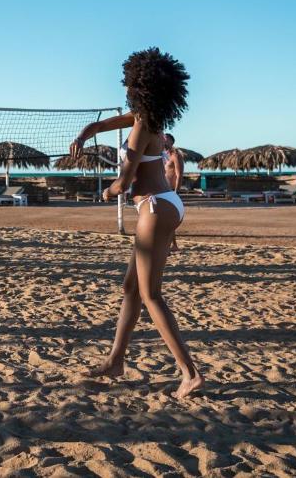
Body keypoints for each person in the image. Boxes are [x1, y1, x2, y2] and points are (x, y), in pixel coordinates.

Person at [71, 48, 203, 400]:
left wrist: (107, 191)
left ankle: (190, 373)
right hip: (161, 205)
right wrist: (83, 137)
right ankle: (115, 361)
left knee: (151, 294)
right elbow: (99, 126)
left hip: (155, 207)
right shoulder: (145, 117)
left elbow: (124, 181)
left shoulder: (143, 123)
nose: (127, 88)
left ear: (138, 85)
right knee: (131, 288)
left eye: (129, 83)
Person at [163, 134, 185, 252]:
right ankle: (172, 245)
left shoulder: (175, 155)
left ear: (171, 142)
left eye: (165, 139)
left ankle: (173, 245)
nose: (163, 140)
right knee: (164, 219)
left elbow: (179, 174)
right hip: (162, 189)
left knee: (169, 219)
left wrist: (176, 192)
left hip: (171, 191)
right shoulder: (162, 155)